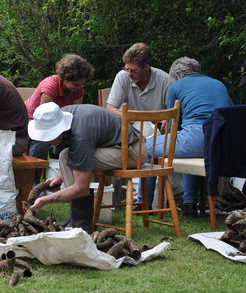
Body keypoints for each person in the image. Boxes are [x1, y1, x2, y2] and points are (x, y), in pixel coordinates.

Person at [28, 102, 147, 232]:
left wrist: (44, 200)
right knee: (65, 155)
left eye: (48, 135)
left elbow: (80, 187)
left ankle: (82, 223)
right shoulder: (62, 114)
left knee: (70, 162)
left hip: (133, 152)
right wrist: (59, 176)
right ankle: (77, 216)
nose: (45, 141)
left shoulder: (81, 135)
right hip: (113, 146)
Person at [144, 57, 233, 218]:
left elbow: (174, 125)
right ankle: (189, 205)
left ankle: (145, 205)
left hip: (196, 138)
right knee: (188, 150)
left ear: (177, 76)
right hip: (223, 142)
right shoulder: (219, 83)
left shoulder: (176, 86)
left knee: (144, 149)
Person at [107, 42, 173, 209]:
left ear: (147, 67)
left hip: (158, 133)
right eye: (127, 69)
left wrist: (167, 120)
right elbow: (111, 108)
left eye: (133, 70)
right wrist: (131, 119)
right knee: (113, 146)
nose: (129, 73)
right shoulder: (122, 77)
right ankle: (114, 201)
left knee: (151, 151)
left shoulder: (165, 80)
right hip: (130, 129)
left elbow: (174, 111)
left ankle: (147, 201)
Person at [25, 54, 94, 186]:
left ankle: (69, 181)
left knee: (74, 138)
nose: (79, 87)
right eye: (76, 84)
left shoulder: (78, 89)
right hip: (33, 118)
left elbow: (74, 114)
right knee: (42, 140)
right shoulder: (50, 87)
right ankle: (33, 183)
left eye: (81, 84)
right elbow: (44, 120)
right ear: (65, 78)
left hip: (58, 119)